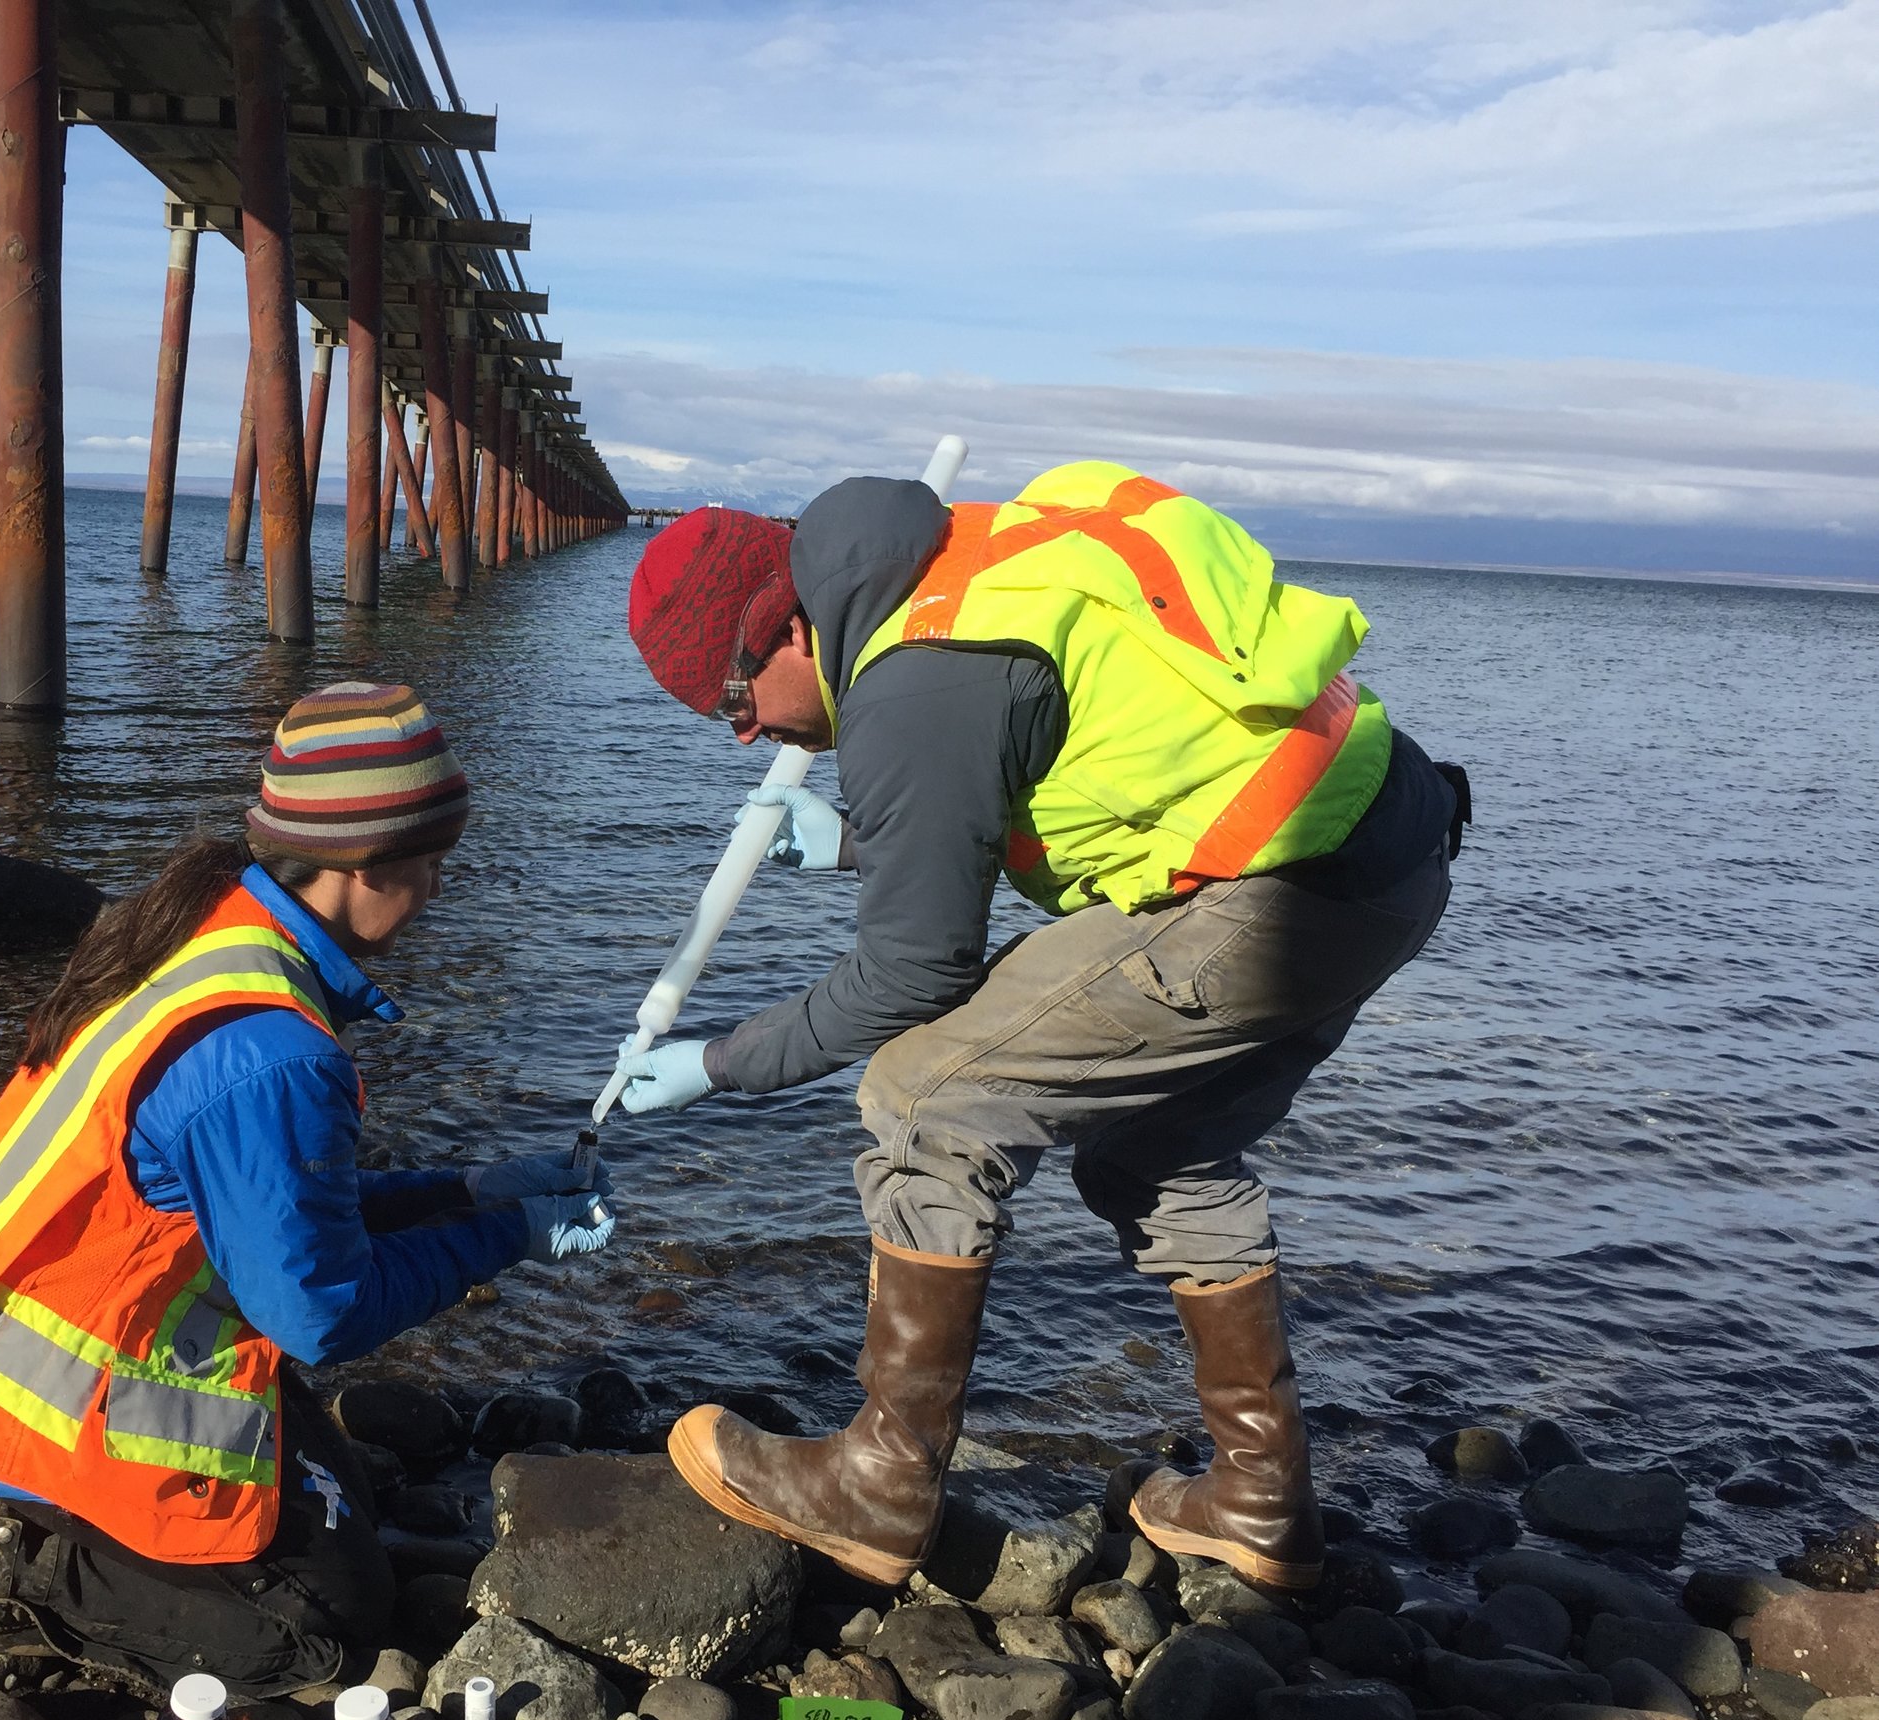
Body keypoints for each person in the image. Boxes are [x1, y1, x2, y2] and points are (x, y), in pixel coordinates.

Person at [615, 462, 1463, 1592]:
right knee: (1164, 1149)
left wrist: (715, 1064)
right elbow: (1062, 785)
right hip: (1383, 856)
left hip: (1277, 894)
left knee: (923, 1092)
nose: (743, 737)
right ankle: (1259, 1502)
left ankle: (880, 1481)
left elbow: (910, 973)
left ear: (780, 634)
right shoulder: (962, 569)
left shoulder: (913, 684)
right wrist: (860, 842)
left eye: (730, 705)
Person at [0, 681, 613, 1692]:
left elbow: (276, 1217)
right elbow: (322, 1315)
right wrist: (510, 1239)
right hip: (29, 1407)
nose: (437, 893)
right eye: (427, 865)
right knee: (329, 1623)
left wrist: (466, 1188)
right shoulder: (277, 1054)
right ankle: (3, 1558)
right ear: (358, 863)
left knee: (343, 1492)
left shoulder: (204, 928)